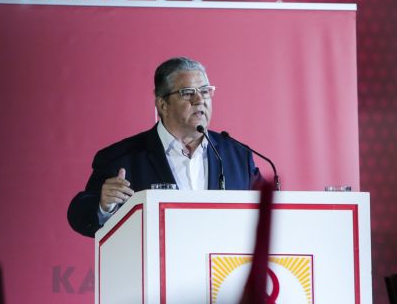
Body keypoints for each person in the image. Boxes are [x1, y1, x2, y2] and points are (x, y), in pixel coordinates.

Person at [67, 57, 261, 237]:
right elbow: (79, 216)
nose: (200, 100)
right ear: (162, 105)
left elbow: (267, 212)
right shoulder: (122, 158)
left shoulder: (238, 156)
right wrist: (104, 207)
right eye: (188, 93)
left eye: (204, 91)